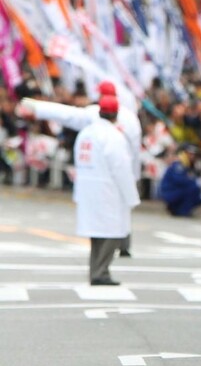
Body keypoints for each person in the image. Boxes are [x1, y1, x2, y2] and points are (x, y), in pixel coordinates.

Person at [17, 80, 142, 257]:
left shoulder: (95, 115)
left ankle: (112, 248)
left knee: (106, 211)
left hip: (104, 169)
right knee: (121, 208)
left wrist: (38, 108)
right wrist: (134, 175)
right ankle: (123, 244)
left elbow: (67, 114)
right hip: (124, 166)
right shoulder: (131, 117)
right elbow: (136, 151)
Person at [71, 96, 140, 285]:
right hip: (107, 189)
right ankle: (101, 271)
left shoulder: (86, 132)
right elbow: (121, 168)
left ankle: (97, 270)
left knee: (97, 233)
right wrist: (131, 196)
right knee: (113, 232)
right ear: (116, 114)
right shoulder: (113, 135)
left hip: (87, 187)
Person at [159, 143, 201, 217]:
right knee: (193, 188)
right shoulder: (178, 165)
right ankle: (182, 211)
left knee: (195, 191)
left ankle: (179, 209)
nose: (192, 157)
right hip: (170, 192)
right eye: (190, 154)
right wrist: (194, 182)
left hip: (177, 191)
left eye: (193, 155)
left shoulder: (189, 166)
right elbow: (179, 180)